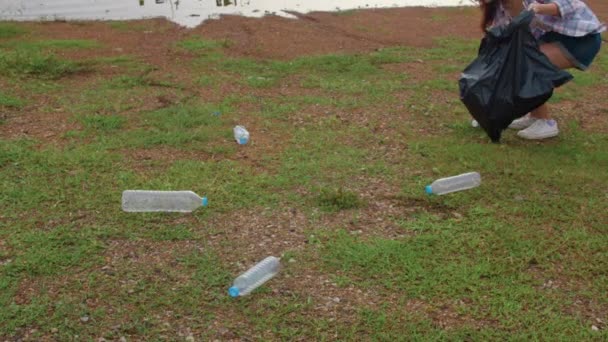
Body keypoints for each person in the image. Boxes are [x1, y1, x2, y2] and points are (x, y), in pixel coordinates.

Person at [472, 0, 605, 140]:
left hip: (581, 38)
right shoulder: (501, 8)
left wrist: (540, 8)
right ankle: (534, 116)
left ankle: (546, 123)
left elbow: (571, 3)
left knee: (525, 64)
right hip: (555, 36)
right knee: (515, 61)